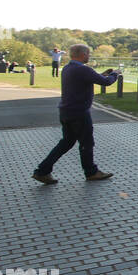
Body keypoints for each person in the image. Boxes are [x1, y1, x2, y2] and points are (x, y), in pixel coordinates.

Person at [31, 43, 118, 184]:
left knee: (66, 143)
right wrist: (115, 74)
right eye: (88, 54)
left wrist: (101, 74)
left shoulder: (67, 68)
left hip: (66, 111)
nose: (89, 56)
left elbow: (88, 79)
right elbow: (106, 82)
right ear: (83, 54)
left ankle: (42, 171)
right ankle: (91, 172)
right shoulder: (83, 70)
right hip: (79, 113)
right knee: (87, 143)